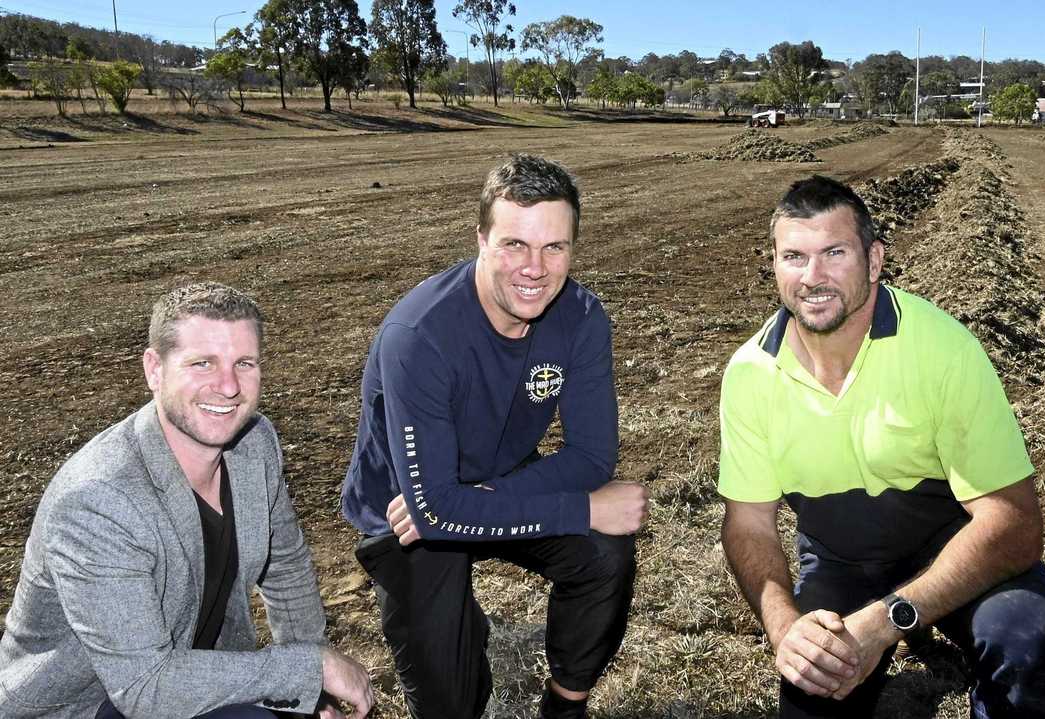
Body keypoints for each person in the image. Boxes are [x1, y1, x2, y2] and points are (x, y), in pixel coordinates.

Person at [717, 176, 1045, 718]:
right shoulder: (749, 374)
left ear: (874, 260)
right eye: (794, 256)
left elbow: (1014, 524)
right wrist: (787, 630)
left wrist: (886, 622)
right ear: (775, 265)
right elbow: (749, 524)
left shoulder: (943, 349)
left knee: (1020, 647)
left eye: (834, 253)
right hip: (841, 558)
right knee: (811, 692)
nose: (813, 277)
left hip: (954, 545)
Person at [341, 154, 649, 719]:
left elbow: (592, 456)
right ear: (480, 239)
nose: (535, 268)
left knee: (606, 552)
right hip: (404, 510)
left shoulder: (580, 316)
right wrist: (580, 509)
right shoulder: (420, 336)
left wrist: (490, 499)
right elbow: (430, 513)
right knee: (452, 703)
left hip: (496, 481)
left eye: (554, 247)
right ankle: (454, 624)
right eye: (514, 245)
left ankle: (564, 705)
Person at [0, 283, 373, 719]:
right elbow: (145, 688)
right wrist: (306, 670)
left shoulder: (255, 444)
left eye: (244, 364)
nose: (229, 387)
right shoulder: (99, 501)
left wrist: (311, 694)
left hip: (184, 679)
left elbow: (285, 563)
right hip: (89, 704)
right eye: (203, 363)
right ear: (154, 369)